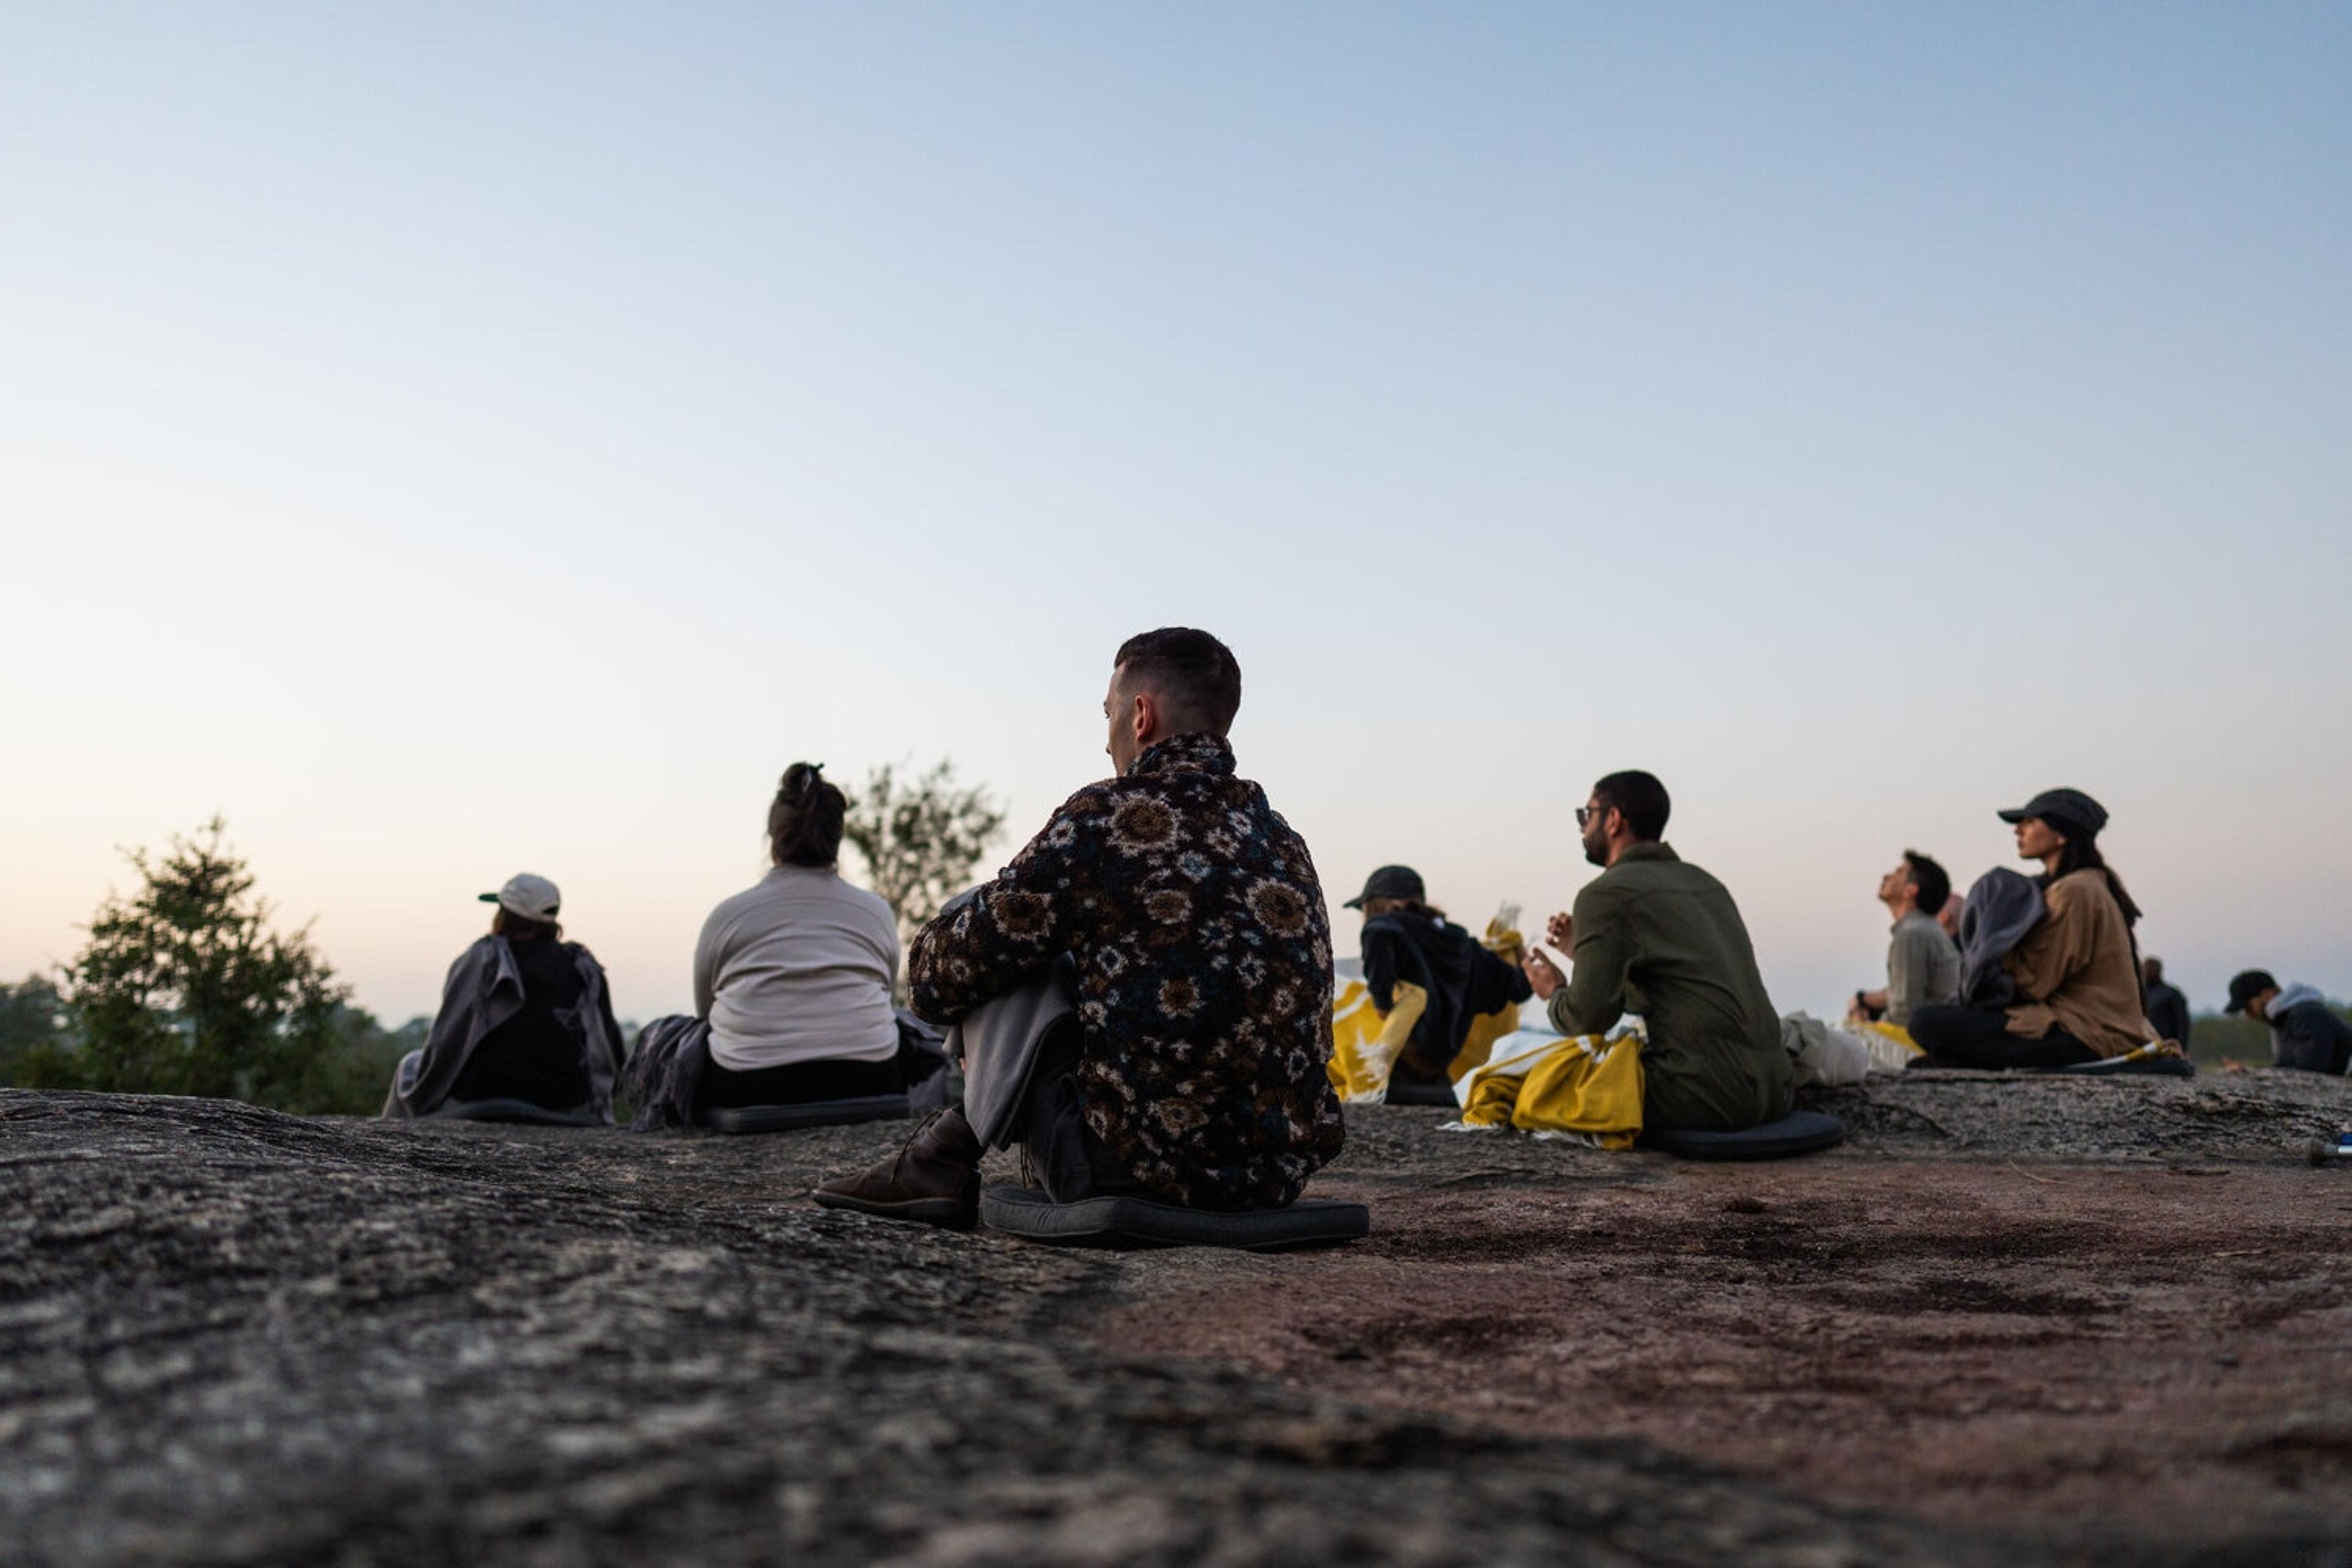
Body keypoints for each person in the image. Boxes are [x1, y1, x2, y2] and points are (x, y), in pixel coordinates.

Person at [816, 627, 1346, 1226]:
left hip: (1118, 1168)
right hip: (1272, 1178)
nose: (1106, 737)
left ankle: (941, 1155)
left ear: (1141, 715)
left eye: (1109, 714)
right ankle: (942, 1149)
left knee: (992, 926)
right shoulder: (1283, 841)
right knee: (1049, 928)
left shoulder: (1106, 819)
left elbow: (938, 981)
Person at [1517, 770, 1793, 1133]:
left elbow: (1587, 1017)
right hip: (1777, 1089)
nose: (1583, 827)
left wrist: (1554, 990)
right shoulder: (1708, 884)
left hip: (1703, 1096)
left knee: (1520, 1077)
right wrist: (1581, 954)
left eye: (1587, 815)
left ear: (1613, 819)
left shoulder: (1604, 894)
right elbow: (1677, 987)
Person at [690, 762, 908, 1114]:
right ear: (837, 838)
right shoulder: (876, 912)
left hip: (746, 1084)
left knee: (675, 1035)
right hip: (869, 1077)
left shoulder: (728, 916)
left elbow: (706, 1013)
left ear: (772, 837)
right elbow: (885, 990)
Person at [1907, 788, 2158, 1069]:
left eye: (2030, 822)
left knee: (1925, 1023)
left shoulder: (2075, 891)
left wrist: (1990, 961)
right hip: (2084, 1027)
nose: (2018, 830)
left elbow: (2034, 982)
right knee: (1931, 1061)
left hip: (2087, 1033)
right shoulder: (2087, 885)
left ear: (2062, 835)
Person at [384, 873, 625, 1120]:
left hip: (480, 1099)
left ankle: (393, 1139)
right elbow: (610, 1048)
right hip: (564, 1105)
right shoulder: (582, 966)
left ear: (505, 915)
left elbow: (446, 1040)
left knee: (411, 1064)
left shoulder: (483, 958)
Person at [1345, 865, 1531, 1102]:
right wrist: (1517, 946)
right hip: (1441, 1081)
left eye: (1366, 909)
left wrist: (1382, 1001)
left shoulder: (1385, 926)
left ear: (1383, 904)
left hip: (1393, 1075)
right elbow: (1522, 987)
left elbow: (1378, 931)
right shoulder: (1467, 948)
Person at [1848, 851, 1961, 1029]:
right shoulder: (1928, 930)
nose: (1886, 876)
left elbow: (1904, 1014)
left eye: (1898, 872)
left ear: (1911, 890)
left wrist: (1864, 1028)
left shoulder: (1911, 935)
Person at [2225, 969, 2351, 1075]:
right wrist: (2250, 1072)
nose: (2248, 1016)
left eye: (2248, 1007)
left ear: (2267, 995)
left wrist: (2253, 1073)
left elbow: (2310, 1071)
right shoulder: (2286, 1019)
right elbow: (2288, 1068)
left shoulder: (2307, 1015)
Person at [2141, 957, 2193, 1055]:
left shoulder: (2172, 995)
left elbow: (2183, 1023)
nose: (2149, 972)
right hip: (2145, 1047)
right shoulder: (2139, 995)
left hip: (2167, 1046)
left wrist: (2182, 1048)